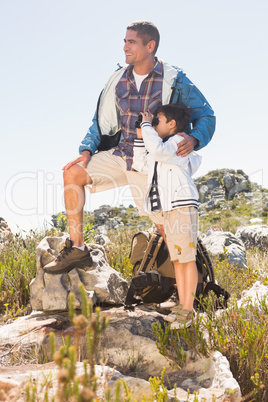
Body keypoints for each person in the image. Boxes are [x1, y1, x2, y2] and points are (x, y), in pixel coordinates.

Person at [43, 20, 215, 275]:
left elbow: (207, 116)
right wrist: (86, 151)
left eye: (131, 42)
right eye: (125, 41)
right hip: (121, 154)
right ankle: (78, 249)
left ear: (150, 45)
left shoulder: (175, 80)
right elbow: (100, 122)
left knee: (166, 229)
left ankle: (190, 295)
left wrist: (194, 139)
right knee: (73, 174)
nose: (125, 47)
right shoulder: (118, 80)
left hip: (152, 162)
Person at [132, 104, 201, 329]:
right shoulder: (161, 151)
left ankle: (188, 311)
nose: (153, 125)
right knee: (178, 259)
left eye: (156, 121)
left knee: (187, 260)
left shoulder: (176, 144)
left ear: (172, 125)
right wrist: (140, 137)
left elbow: (158, 150)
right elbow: (140, 163)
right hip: (169, 208)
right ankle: (183, 303)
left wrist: (144, 123)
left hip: (181, 206)